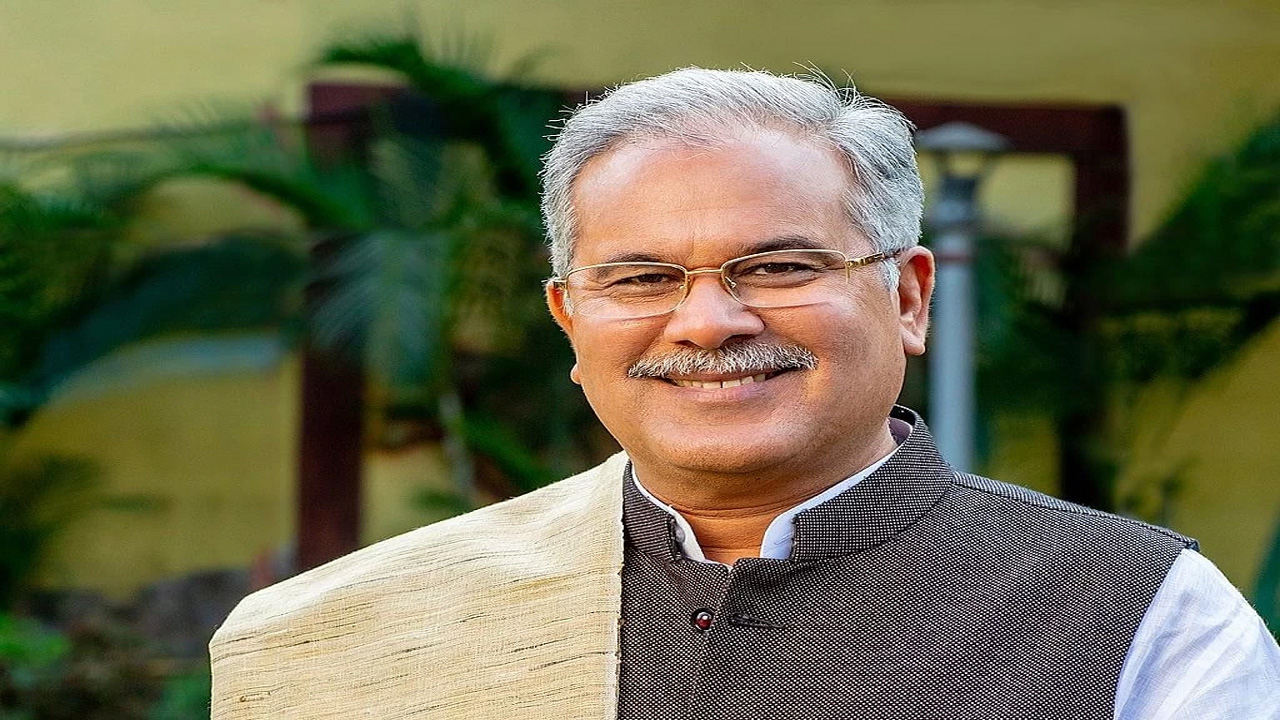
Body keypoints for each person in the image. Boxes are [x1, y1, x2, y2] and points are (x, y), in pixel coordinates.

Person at [210, 68, 1279, 719]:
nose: (708, 321)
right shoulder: (343, 633)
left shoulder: (1136, 614)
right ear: (569, 322)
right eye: (640, 279)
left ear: (908, 297)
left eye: (778, 266)